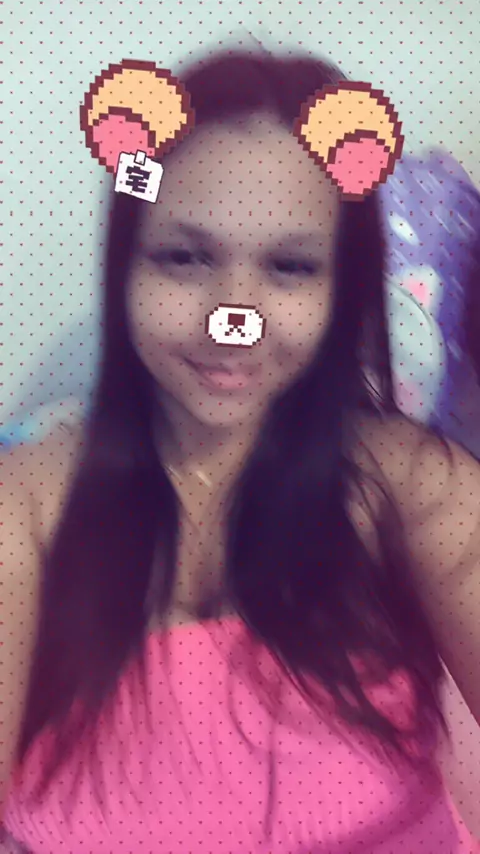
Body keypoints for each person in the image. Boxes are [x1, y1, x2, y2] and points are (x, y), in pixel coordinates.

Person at [1, 48, 479, 854]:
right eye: (184, 258)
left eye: (290, 267)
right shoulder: (24, 510)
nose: (234, 317)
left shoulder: (415, 489)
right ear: (126, 265)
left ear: (341, 286)